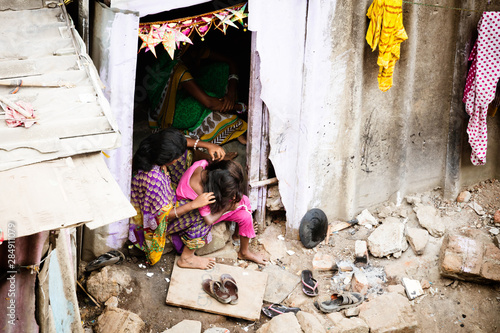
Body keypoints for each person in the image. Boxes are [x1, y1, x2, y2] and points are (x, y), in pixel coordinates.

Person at [129, 128, 226, 268]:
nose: (178, 159)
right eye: (175, 158)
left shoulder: (153, 147)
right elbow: (161, 217)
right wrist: (194, 204)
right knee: (201, 213)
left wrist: (208, 145)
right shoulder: (154, 180)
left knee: (187, 153)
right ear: (165, 158)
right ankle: (187, 259)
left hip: (164, 194)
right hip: (150, 223)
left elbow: (183, 143)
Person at [146, 40, 248, 145]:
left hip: (185, 93)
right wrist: (240, 107)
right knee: (208, 101)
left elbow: (230, 62)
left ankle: (226, 110)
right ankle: (234, 127)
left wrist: (230, 94)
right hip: (173, 112)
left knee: (221, 69)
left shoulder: (194, 51)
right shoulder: (177, 68)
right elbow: (210, 103)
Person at [176, 159, 267, 265]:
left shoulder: (202, 165)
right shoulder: (199, 191)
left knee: (244, 205)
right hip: (192, 216)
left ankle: (239, 238)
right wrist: (227, 207)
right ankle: (244, 249)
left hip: (201, 208)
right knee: (244, 208)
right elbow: (208, 220)